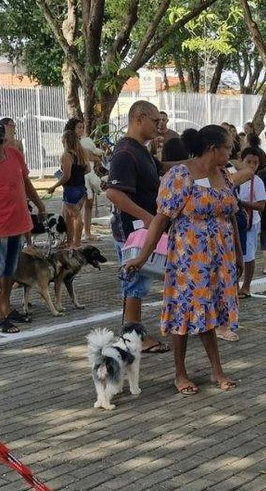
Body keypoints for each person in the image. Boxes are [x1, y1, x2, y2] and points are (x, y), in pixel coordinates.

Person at [122, 125, 239, 395]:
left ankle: (217, 370)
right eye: (228, 148)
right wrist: (142, 257)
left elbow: (230, 216)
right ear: (213, 149)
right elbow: (161, 219)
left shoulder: (223, 174)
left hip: (219, 260)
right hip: (189, 260)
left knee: (210, 312)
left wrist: (238, 255)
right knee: (183, 314)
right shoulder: (180, 176)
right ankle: (180, 373)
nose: (231, 153)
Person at [0, 118, 48, 332]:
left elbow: (26, 183)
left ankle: (6, 308)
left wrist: (40, 205)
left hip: (17, 224)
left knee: (10, 271)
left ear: (5, 140)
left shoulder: (14, 155)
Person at [105, 100, 170, 354]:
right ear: (139, 118)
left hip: (142, 229)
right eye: (155, 120)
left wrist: (197, 164)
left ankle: (134, 333)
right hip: (131, 230)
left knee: (138, 281)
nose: (159, 125)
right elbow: (113, 193)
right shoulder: (125, 152)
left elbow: (163, 169)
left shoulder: (141, 150)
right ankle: (133, 337)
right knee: (134, 281)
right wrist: (146, 217)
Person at [47, 122, 89, 249]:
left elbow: (66, 176)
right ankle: (70, 242)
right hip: (81, 188)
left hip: (71, 189)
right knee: (67, 217)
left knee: (76, 217)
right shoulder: (82, 153)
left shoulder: (67, 155)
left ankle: (76, 243)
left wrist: (54, 186)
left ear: (65, 140)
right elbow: (87, 170)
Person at [237, 146, 266, 298]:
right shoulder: (234, 177)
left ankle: (246, 285)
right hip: (235, 222)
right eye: (248, 161)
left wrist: (241, 203)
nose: (252, 165)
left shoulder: (257, 181)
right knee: (234, 254)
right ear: (240, 161)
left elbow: (261, 205)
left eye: (255, 163)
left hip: (250, 222)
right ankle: (234, 284)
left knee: (248, 255)